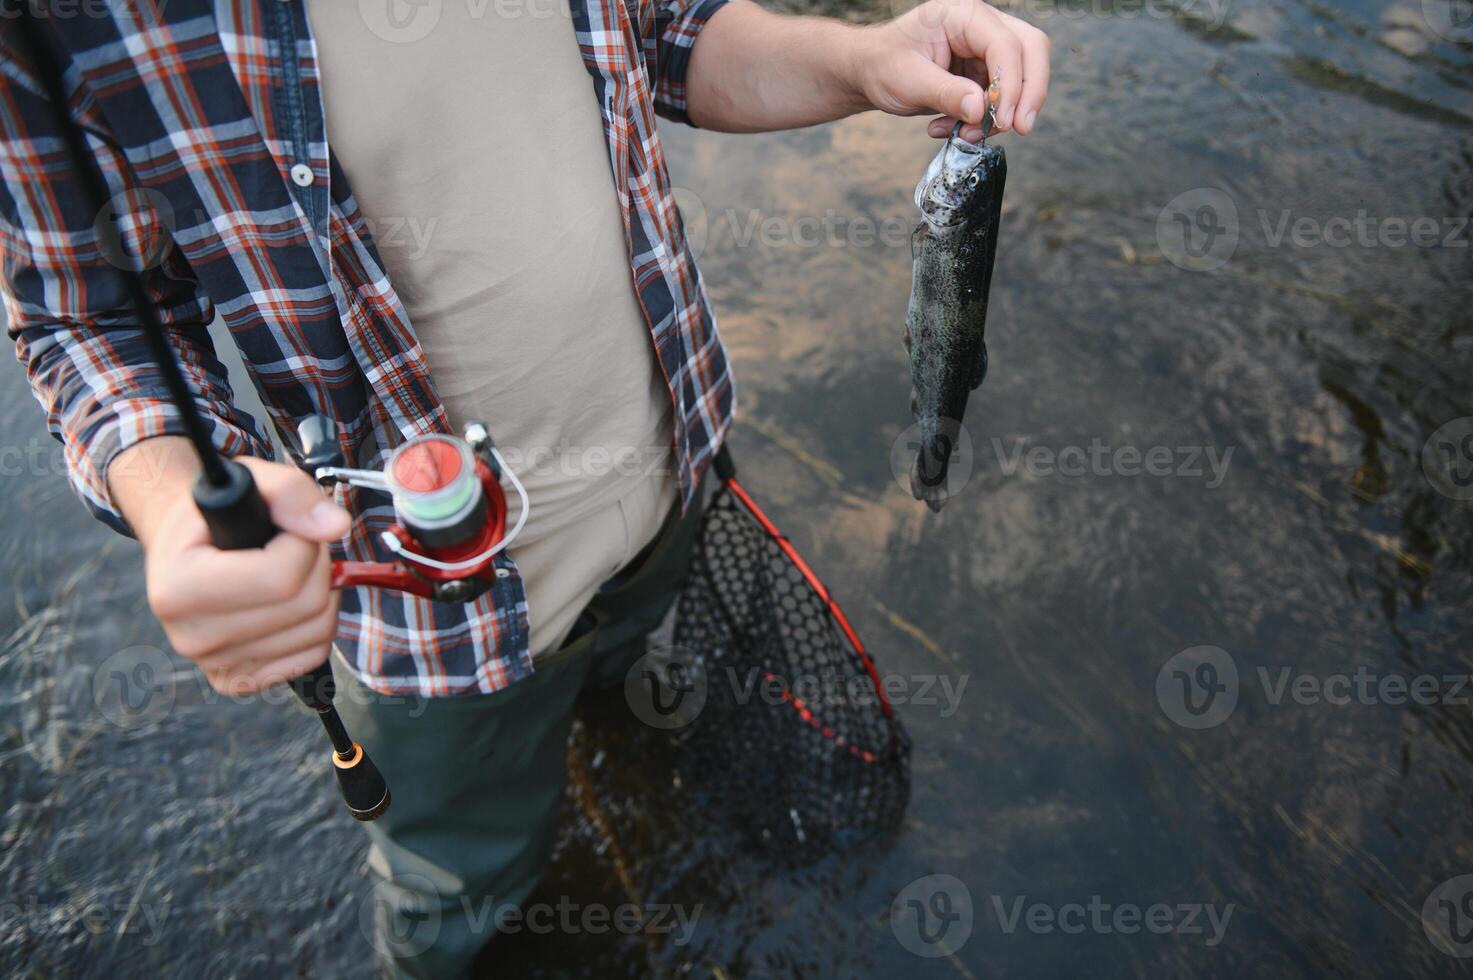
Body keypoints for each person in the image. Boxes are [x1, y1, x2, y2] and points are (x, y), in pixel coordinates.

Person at [0, 0, 1048, 974]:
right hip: (430, 615)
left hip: (670, 473)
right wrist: (179, 502)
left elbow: (668, 34)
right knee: (457, 897)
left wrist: (863, 57)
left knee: (622, 679)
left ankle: (599, 709)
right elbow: (81, 317)